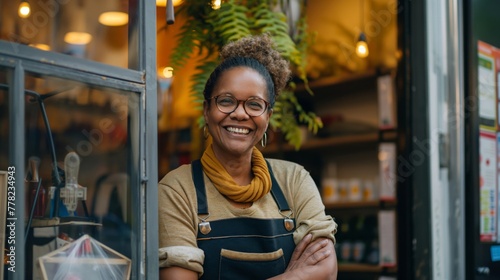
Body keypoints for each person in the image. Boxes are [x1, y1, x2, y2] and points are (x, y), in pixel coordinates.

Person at [158, 34, 338, 280]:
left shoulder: (294, 180)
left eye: (254, 104)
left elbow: (326, 273)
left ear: (268, 117)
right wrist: (296, 275)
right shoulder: (177, 189)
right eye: (226, 101)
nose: (240, 114)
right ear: (206, 111)